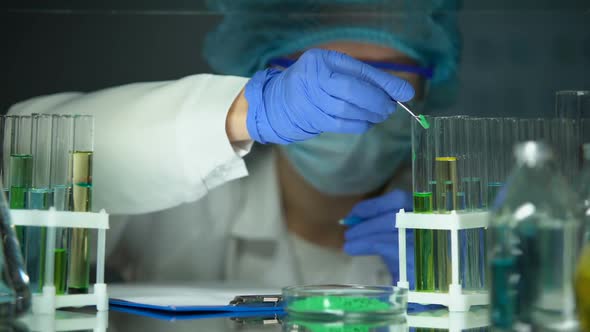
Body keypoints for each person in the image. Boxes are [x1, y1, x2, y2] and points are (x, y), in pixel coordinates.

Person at [8, 1, 459, 286]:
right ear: (269, 74)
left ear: (425, 92)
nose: (351, 106)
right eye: (330, 82)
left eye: (391, 80)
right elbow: (20, 159)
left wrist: (450, 295)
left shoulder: (458, 229)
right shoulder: (181, 203)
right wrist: (241, 113)